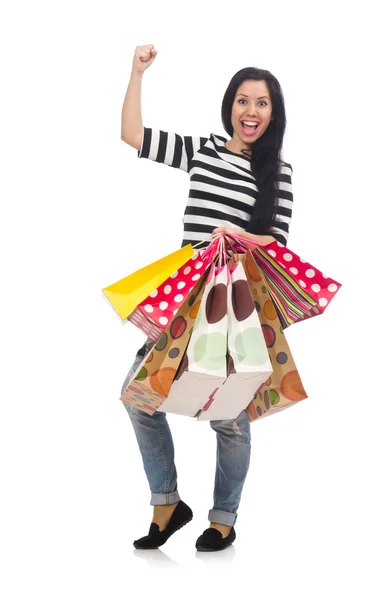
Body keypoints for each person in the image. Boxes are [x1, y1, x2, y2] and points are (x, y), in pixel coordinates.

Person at [120, 44, 294, 552]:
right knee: (139, 396)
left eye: (261, 103)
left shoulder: (278, 174)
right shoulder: (204, 151)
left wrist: (232, 237)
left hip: (232, 306)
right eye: (243, 100)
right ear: (230, 106)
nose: (251, 112)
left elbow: (277, 243)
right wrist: (137, 72)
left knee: (229, 416)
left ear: (273, 113)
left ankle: (224, 518)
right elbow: (132, 135)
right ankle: (167, 504)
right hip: (183, 297)